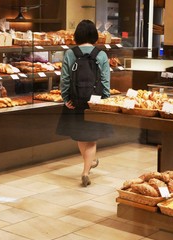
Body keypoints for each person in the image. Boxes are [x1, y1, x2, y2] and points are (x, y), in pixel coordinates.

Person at [56, 19, 113, 187]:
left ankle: (89, 163)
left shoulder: (70, 53)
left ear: (77, 35)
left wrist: (66, 98)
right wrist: (105, 99)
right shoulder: (101, 54)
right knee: (92, 139)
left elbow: (65, 79)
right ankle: (86, 171)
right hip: (94, 100)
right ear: (94, 35)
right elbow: (105, 80)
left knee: (81, 136)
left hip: (77, 99)